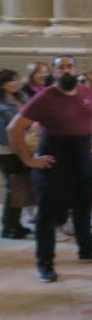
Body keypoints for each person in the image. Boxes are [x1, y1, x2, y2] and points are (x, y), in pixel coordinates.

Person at [6, 56, 92, 283]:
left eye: (69, 66)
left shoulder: (87, 92)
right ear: (54, 73)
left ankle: (86, 249)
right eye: (60, 68)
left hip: (82, 158)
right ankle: (45, 263)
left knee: (83, 207)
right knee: (48, 216)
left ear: (76, 70)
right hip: (54, 161)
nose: (66, 71)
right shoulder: (44, 97)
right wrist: (28, 160)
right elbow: (14, 129)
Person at [0, 70, 31, 239]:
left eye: (17, 79)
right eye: (12, 80)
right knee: (13, 188)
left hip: (22, 147)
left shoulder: (21, 98)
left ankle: (16, 224)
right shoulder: (1, 106)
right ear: (3, 84)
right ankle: (8, 226)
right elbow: (3, 134)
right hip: (7, 151)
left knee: (20, 187)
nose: (16, 83)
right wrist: (19, 145)